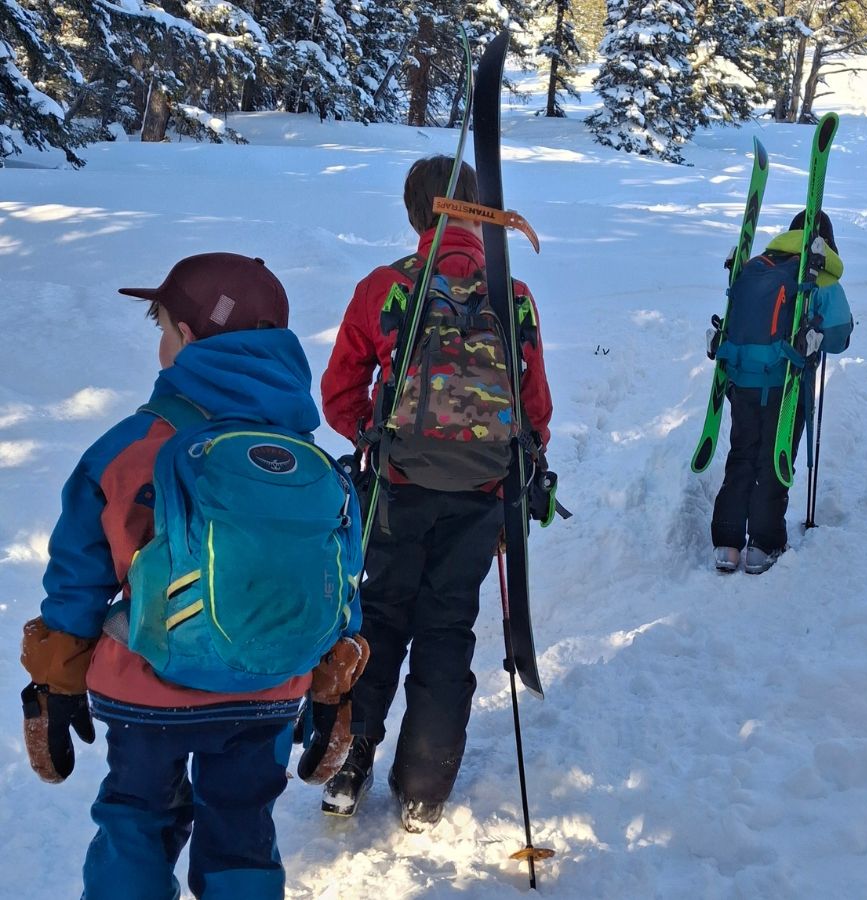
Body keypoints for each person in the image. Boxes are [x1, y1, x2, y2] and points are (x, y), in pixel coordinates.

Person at [19, 252, 368, 899]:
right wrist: (331, 686)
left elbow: (79, 567)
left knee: (135, 819)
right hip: (267, 688)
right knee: (241, 829)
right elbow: (338, 576)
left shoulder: (134, 446)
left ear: (186, 336)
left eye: (163, 330)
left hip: (148, 687)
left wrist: (56, 673)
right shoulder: (305, 458)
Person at [320, 155, 553, 828]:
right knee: (447, 628)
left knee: (380, 617)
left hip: (397, 489)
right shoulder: (512, 295)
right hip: (480, 492)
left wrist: (374, 435)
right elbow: (534, 407)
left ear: (414, 213)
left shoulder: (384, 288)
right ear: (478, 212)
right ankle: (424, 788)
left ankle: (349, 765)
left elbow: (338, 392)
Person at [710, 209, 853, 574]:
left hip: (743, 379)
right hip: (786, 384)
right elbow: (839, 336)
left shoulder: (757, 265)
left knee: (743, 454)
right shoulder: (817, 272)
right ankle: (764, 544)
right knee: (776, 459)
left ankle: (726, 544)